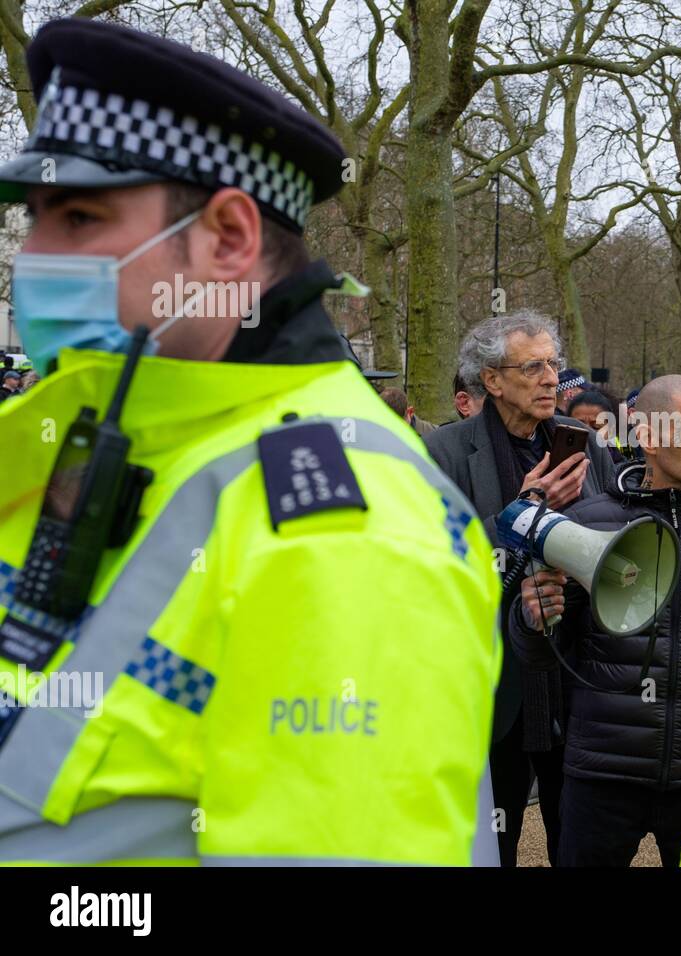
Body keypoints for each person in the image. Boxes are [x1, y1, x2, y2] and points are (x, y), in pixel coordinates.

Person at [0, 19, 500, 865]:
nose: (34, 258)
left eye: (80, 217)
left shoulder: (353, 533)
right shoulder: (111, 431)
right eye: (35, 218)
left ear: (229, 240)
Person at [509, 374, 681, 866]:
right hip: (602, 773)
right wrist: (534, 619)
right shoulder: (587, 521)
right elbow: (543, 655)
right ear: (650, 438)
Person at [424, 310, 615, 867]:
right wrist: (524, 514)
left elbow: (609, 546)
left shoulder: (583, 447)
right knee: (491, 842)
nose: (552, 377)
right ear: (491, 380)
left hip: (574, 679)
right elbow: (435, 567)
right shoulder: (444, 454)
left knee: (577, 844)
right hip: (492, 684)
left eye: (553, 363)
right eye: (532, 366)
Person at [566, 388, 625, 465]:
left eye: (596, 427)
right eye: (578, 426)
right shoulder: (555, 465)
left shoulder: (624, 473)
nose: (587, 433)